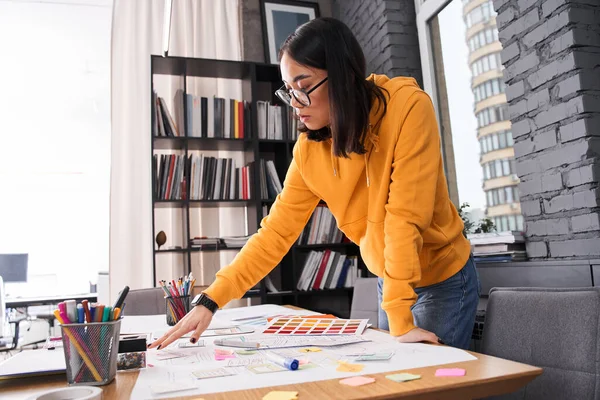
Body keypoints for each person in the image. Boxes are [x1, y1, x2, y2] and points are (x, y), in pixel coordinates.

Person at [149, 17, 480, 351]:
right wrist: (210, 301)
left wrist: (398, 314)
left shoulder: (408, 107)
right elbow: (274, 234)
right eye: (288, 90)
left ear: (341, 76)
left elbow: (404, 217)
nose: (294, 102)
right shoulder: (309, 152)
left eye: (303, 87)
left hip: (442, 279)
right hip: (389, 281)